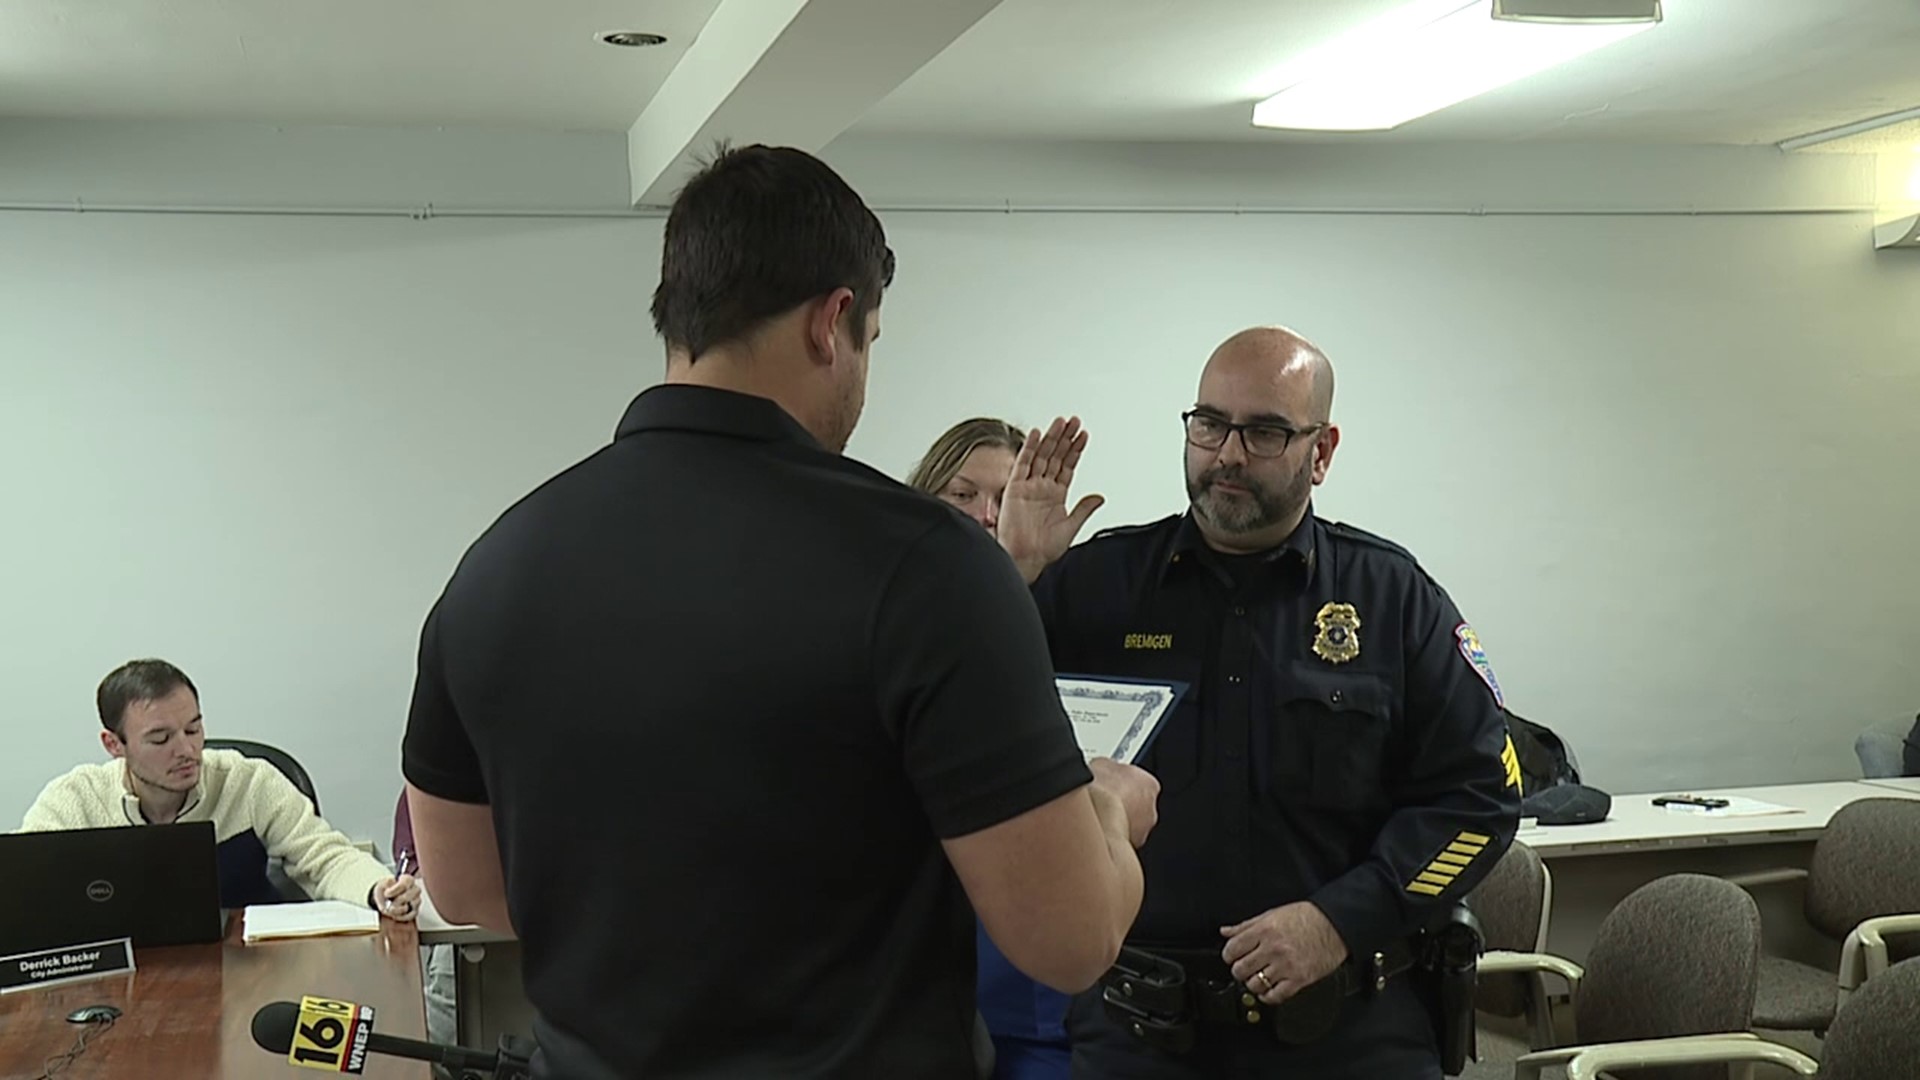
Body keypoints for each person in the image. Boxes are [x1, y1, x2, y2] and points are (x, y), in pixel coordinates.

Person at [399, 144, 1160, 1080]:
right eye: (870, 344)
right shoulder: (928, 567)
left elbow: (469, 887)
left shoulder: (495, 567)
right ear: (832, 320)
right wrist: (1110, 815)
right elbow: (1070, 940)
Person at [996, 327, 1524, 1079]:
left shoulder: (1391, 598)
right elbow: (964, 731)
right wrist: (1012, 574)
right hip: (1139, 1033)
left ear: (1323, 450)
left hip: (1349, 1030)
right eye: (1209, 424)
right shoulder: (1091, 586)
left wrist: (1340, 920)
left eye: (1266, 431)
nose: (1228, 454)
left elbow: (1482, 798)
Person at [908, 417, 1101, 1080]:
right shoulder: (886, 621)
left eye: (1006, 498)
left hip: (1041, 990)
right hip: (914, 988)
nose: (986, 517)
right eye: (963, 495)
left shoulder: (1073, 615)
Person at [19, 658, 421, 918]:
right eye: (160, 739)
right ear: (114, 745)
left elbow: (324, 856)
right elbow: (24, 892)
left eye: (193, 728)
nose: (187, 750)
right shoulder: (74, 800)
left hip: (251, 972)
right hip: (130, 983)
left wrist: (377, 888)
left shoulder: (246, 780)